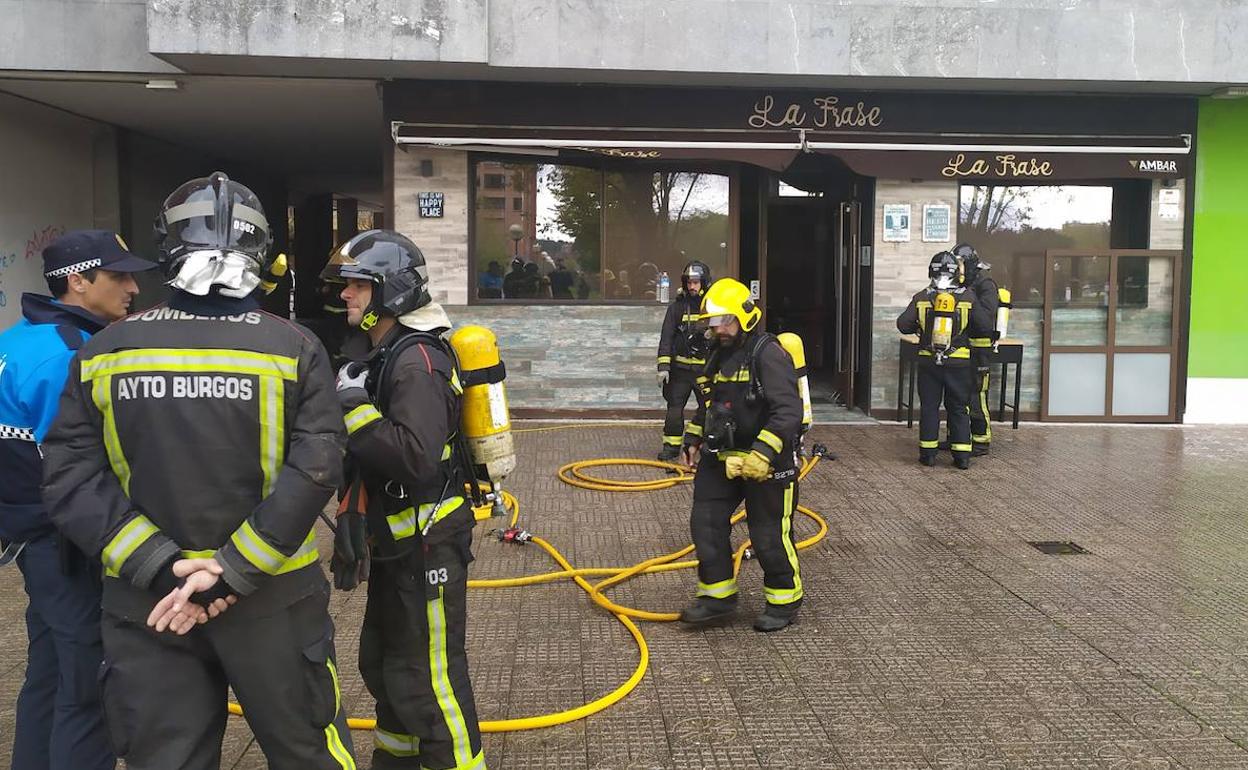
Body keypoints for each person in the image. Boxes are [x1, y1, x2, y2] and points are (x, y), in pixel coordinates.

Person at [40, 172, 356, 770]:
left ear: (168, 248)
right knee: (308, 753)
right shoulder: (294, 347)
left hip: (148, 603)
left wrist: (161, 567)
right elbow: (317, 468)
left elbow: (70, 477)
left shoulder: (105, 349)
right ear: (264, 254)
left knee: (167, 759)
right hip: (273, 600)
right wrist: (230, 574)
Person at [321, 230, 485, 770]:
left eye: (356, 286)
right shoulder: (385, 351)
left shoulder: (417, 360)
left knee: (431, 675)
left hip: (427, 543)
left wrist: (353, 407)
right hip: (398, 543)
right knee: (388, 663)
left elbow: (414, 457)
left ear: (389, 291)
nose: (345, 295)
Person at [0, 230, 156, 770]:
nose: (133, 287)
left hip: (30, 537)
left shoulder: (17, 338)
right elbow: (82, 470)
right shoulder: (71, 356)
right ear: (78, 281)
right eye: (118, 277)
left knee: (48, 672)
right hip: (65, 542)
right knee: (89, 686)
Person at [678, 278, 804, 633]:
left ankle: (784, 600)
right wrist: (694, 437)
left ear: (745, 318)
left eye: (725, 322)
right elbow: (712, 405)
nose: (718, 330)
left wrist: (762, 455)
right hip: (722, 459)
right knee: (705, 524)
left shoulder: (768, 353)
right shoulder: (718, 354)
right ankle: (717, 596)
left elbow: (787, 411)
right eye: (714, 324)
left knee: (767, 536)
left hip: (767, 464)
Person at [896, 251, 992, 470]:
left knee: (929, 407)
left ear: (931, 271)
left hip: (929, 363)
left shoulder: (922, 297)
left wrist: (922, 327)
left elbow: (903, 324)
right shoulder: (967, 297)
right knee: (958, 408)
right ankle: (962, 457)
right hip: (959, 364)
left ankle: (928, 455)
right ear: (956, 273)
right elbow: (984, 327)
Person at [656, 260, 711, 460]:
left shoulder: (712, 308)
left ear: (704, 283)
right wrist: (664, 367)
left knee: (708, 409)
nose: (692, 286)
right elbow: (666, 337)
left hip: (705, 372)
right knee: (674, 411)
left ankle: (692, 442)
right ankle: (671, 448)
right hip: (680, 371)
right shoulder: (677, 308)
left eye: (696, 282)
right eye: (689, 282)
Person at [953, 242, 999, 456]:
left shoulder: (985, 282)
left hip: (979, 348)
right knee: (957, 394)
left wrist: (967, 297)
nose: (958, 269)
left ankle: (981, 440)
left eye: (960, 264)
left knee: (976, 394)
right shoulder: (963, 282)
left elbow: (986, 318)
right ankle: (959, 437)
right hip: (962, 347)